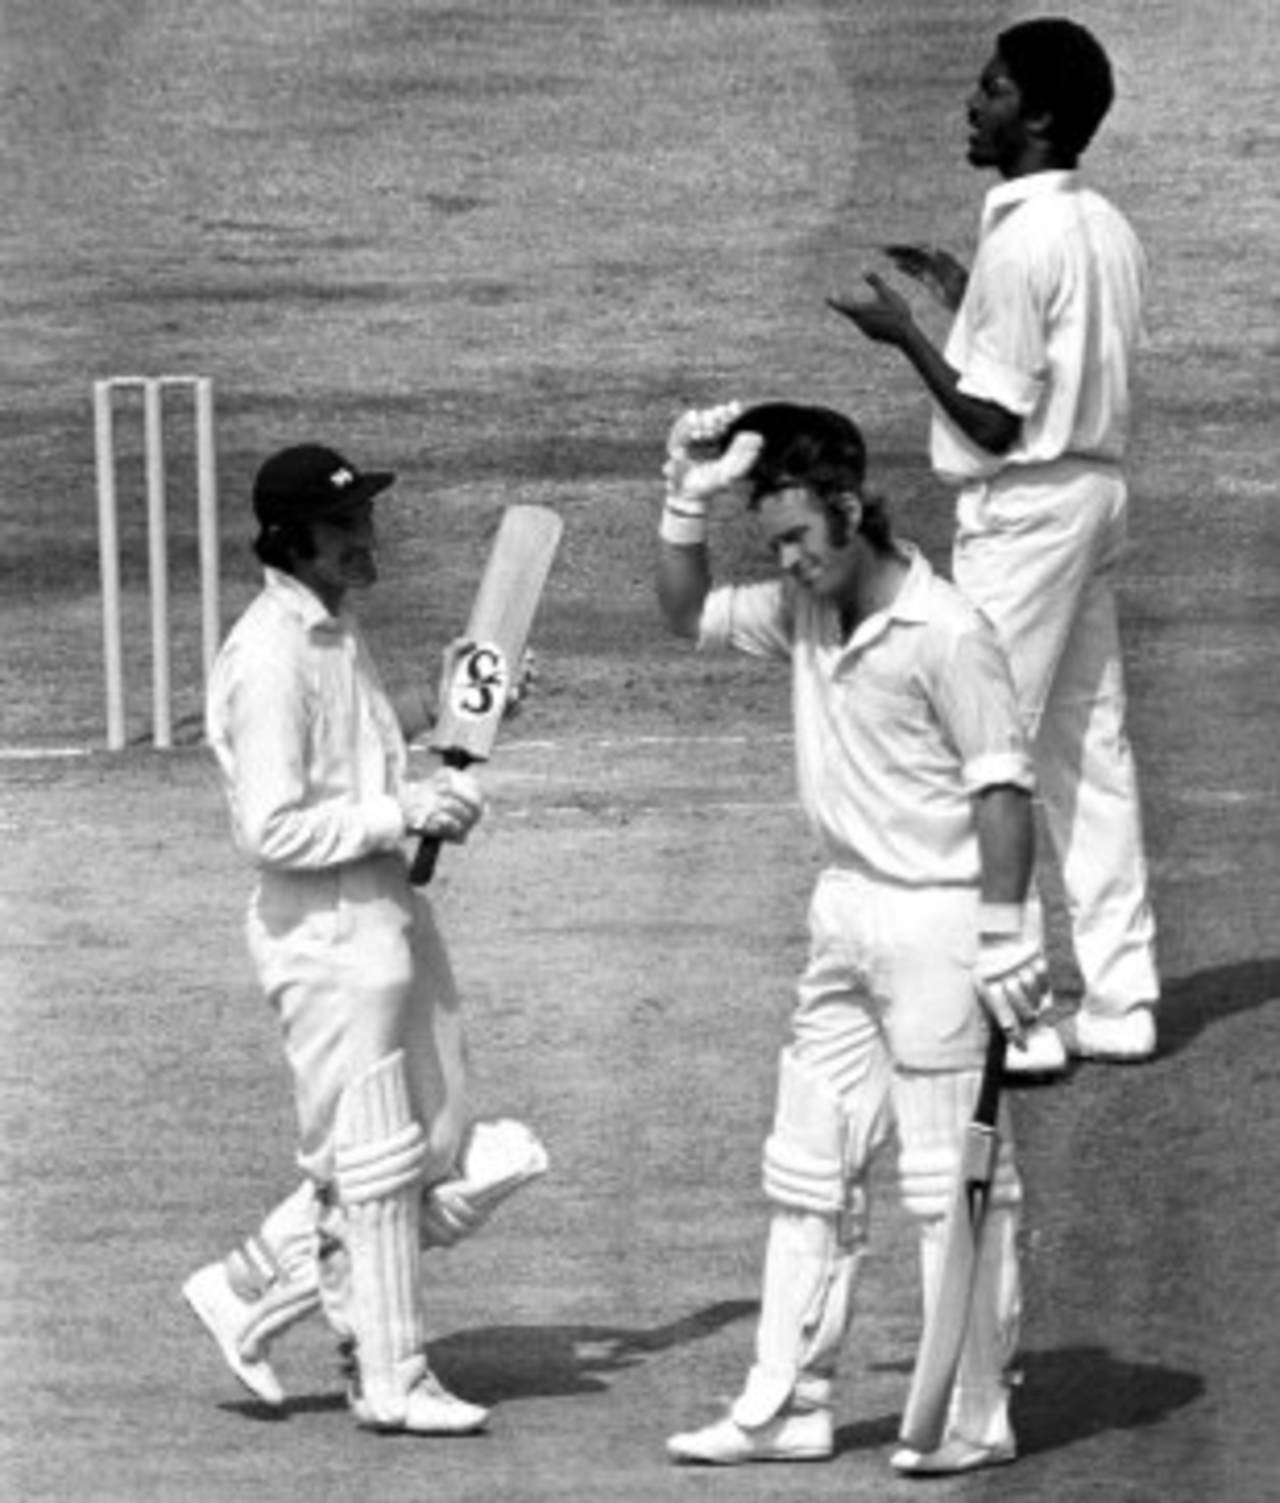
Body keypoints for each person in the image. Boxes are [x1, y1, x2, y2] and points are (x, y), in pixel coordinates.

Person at [656, 401, 1046, 1476]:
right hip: (841, 914)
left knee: (946, 1186)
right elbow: (682, 616)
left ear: (847, 511)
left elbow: (1003, 790)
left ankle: (975, 1409)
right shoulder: (801, 610)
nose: (785, 564)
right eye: (770, 544)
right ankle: (788, 1403)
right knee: (805, 1166)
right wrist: (684, 503)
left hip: (938, 924)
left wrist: (1006, 934)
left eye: (795, 540)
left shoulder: (947, 633)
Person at [181, 443, 547, 1433]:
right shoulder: (266, 656)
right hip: (323, 930)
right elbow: (270, 828)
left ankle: (246, 1289)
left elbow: (363, 744)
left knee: (443, 1147)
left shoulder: (334, 634)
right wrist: (404, 815)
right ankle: (388, 1378)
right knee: (370, 1165)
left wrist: (456, 713)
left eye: (364, 521)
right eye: (343, 528)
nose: (364, 541)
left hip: (383, 912)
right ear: (292, 540)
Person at [828, 17, 1159, 1067]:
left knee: (983, 753)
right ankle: (1120, 998)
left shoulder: (1026, 241)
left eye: (994, 90)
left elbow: (991, 421)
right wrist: (963, 297)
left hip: (1022, 516)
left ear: (1042, 115)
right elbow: (1051, 357)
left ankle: (1010, 1022)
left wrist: (906, 339)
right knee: (1081, 752)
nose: (974, 104)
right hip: (1092, 497)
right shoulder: (1100, 226)